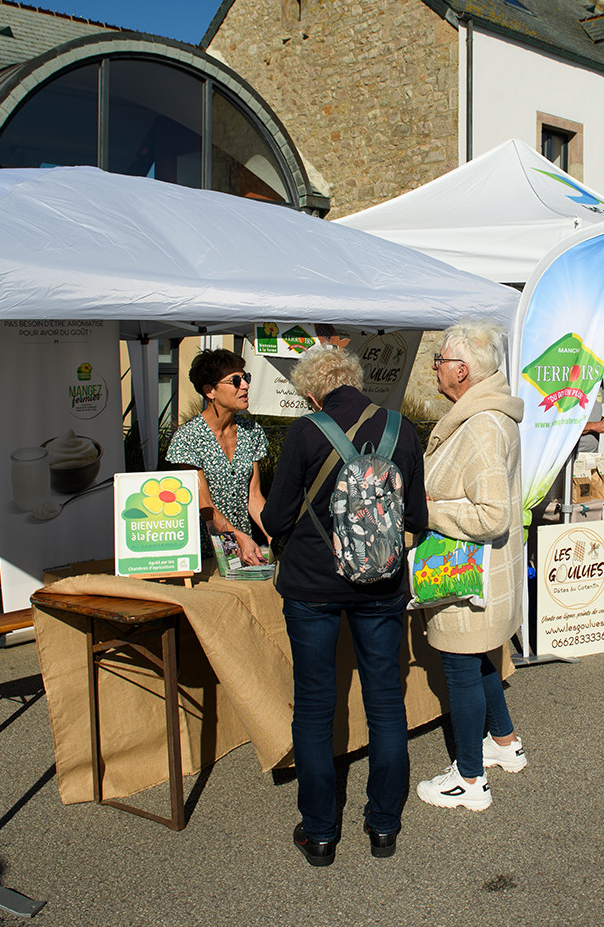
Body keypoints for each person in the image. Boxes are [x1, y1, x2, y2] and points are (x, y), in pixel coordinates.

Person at [261, 345, 428, 866]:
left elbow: (277, 517)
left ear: (311, 391)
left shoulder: (307, 431)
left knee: (314, 706)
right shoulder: (402, 429)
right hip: (381, 584)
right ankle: (383, 827)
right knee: (384, 700)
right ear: (358, 381)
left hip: (312, 585)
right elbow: (417, 519)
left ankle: (320, 833)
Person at [415, 322, 528, 812]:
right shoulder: (485, 416)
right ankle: (504, 745)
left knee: (462, 668)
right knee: (480, 659)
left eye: (439, 360)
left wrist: (424, 507)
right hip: (486, 573)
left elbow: (491, 514)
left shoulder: (481, 424)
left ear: (462, 371)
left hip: (469, 572)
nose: (433, 368)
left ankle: (469, 779)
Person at [165, 348, 270, 566]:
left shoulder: (252, 430)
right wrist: (237, 537)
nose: (245, 385)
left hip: (247, 552)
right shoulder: (188, 438)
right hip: (206, 554)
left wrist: (275, 536)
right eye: (235, 380)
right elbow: (205, 506)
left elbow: (254, 496)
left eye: (245, 378)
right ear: (209, 391)